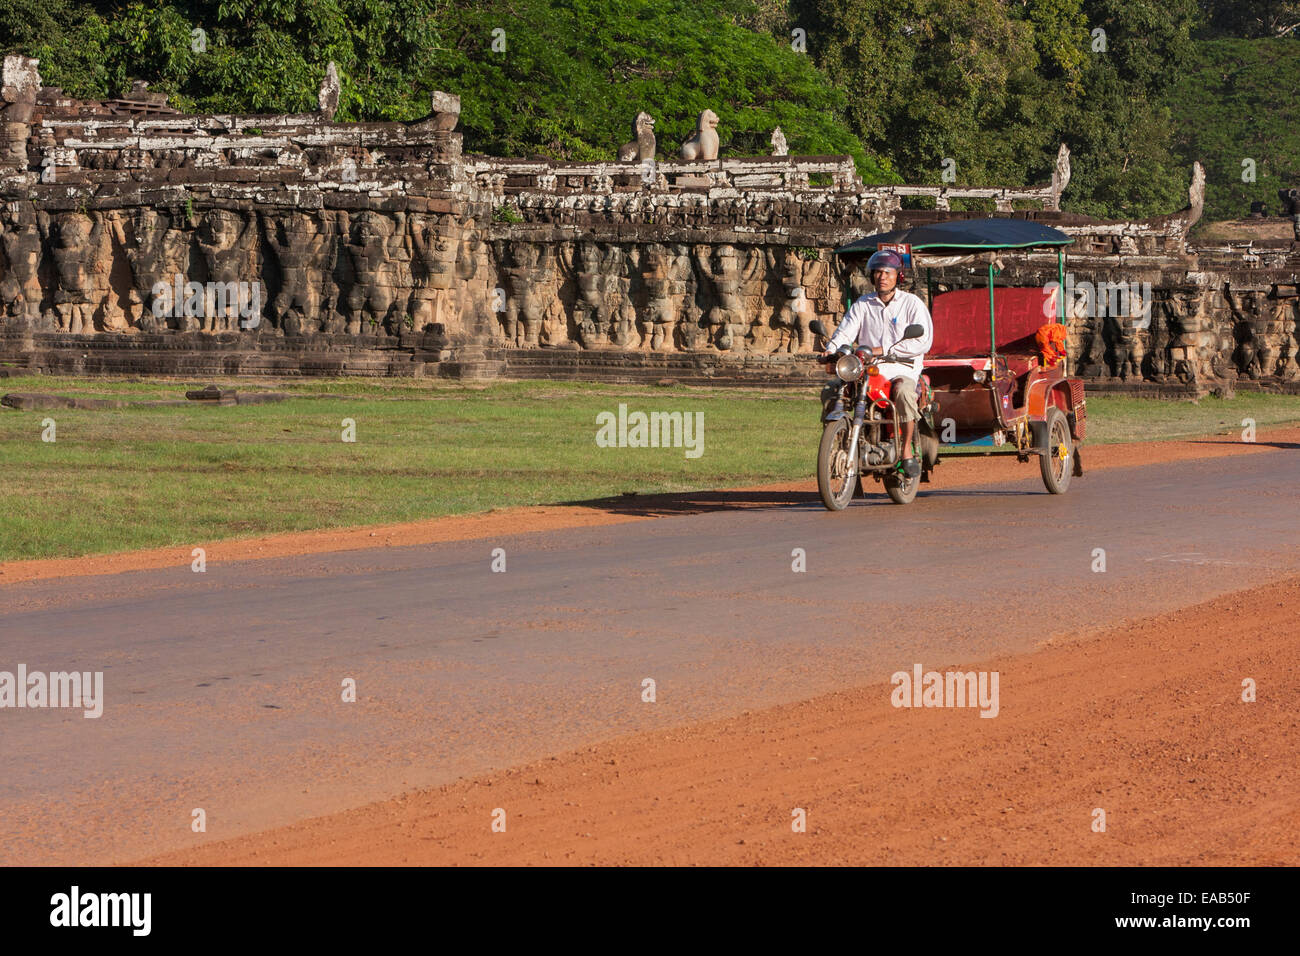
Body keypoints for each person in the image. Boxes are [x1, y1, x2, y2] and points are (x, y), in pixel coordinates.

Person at [820, 249, 934, 478]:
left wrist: (885, 350)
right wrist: (831, 350)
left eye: (887, 273)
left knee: (902, 392)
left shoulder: (912, 304)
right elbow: (845, 332)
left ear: (898, 276)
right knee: (832, 390)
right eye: (878, 272)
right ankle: (838, 443)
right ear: (872, 276)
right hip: (868, 369)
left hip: (902, 367)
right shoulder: (863, 304)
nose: (882, 277)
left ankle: (906, 451)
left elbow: (923, 340)